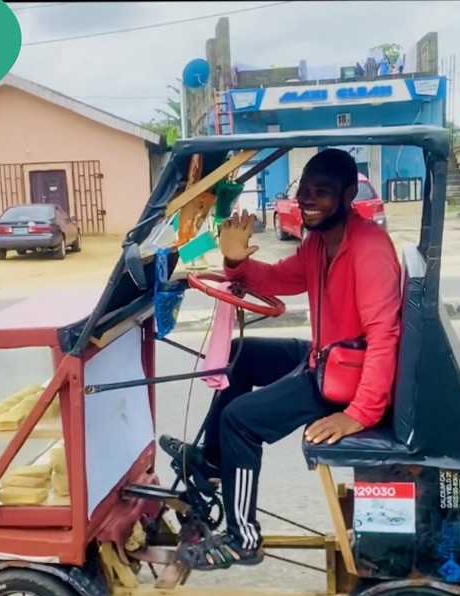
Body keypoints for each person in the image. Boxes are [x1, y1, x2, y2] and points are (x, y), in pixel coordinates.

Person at [161, 148, 402, 570]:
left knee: (241, 419)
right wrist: (235, 260)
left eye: (321, 192)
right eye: (304, 191)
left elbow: (385, 336)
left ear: (348, 195)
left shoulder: (368, 250)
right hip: (326, 358)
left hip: (346, 379)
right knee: (241, 354)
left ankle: (242, 539)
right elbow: (279, 280)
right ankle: (216, 461)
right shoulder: (319, 244)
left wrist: (359, 413)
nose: (308, 200)